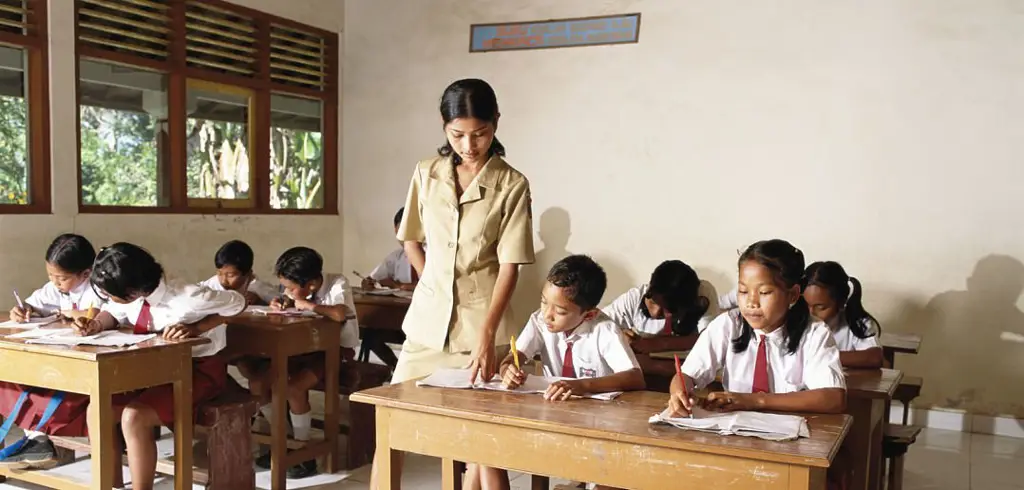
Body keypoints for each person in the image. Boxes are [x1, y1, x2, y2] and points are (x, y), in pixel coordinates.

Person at [370, 78, 535, 490]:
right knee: (391, 430)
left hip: (481, 326)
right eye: (457, 135)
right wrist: (432, 283)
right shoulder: (426, 173)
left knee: (482, 442)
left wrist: (487, 335)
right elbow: (410, 238)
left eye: (480, 134)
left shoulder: (512, 184)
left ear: (496, 124)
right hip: (426, 327)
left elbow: (509, 266)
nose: (469, 145)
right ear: (444, 129)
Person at [78, 243, 246, 490]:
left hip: (196, 372)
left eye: (109, 293)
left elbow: (238, 303)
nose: (106, 298)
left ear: (132, 290)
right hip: (151, 370)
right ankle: (110, 485)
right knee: (98, 408)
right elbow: (113, 312)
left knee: (133, 417)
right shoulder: (133, 297)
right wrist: (97, 324)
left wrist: (197, 328)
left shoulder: (189, 297)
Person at [668, 239, 846, 416]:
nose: (751, 303)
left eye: (764, 293)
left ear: (792, 295)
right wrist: (679, 392)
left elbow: (834, 398)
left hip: (792, 433)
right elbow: (686, 375)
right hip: (735, 432)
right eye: (743, 291)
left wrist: (754, 401)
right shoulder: (729, 324)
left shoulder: (814, 333)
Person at [242, 246, 359, 478]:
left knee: (294, 387)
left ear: (312, 285)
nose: (288, 291)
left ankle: (303, 450)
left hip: (333, 351)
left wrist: (310, 305)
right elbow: (284, 300)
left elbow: (339, 314)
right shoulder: (297, 291)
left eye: (291, 287)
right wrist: (280, 301)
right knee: (257, 384)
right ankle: (283, 442)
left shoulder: (337, 283)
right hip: (300, 350)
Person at [602, 260, 719, 376]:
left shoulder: (703, 294)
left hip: (691, 371)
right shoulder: (634, 299)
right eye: (652, 302)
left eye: (669, 310)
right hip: (649, 371)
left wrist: (655, 344)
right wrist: (620, 336)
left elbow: (709, 340)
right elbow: (596, 324)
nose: (656, 313)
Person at [803, 261, 883, 368]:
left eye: (820, 307)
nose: (811, 313)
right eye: (805, 305)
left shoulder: (857, 324)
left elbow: (874, 357)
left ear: (841, 303)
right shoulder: (794, 321)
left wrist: (824, 356)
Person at [9, 233, 102, 322]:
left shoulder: (97, 287)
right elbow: (32, 303)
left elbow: (93, 315)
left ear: (86, 273)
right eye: (50, 275)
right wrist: (23, 309)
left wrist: (67, 313)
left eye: (62, 278)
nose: (55, 282)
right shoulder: (56, 286)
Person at [199, 239, 278, 305]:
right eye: (219, 273)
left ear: (248, 274)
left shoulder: (256, 287)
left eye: (230, 275)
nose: (223, 280)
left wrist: (260, 301)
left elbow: (279, 300)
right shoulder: (209, 287)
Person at [363, 207, 419, 291]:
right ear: (395, 230)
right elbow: (373, 278)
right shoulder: (396, 257)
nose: (405, 236)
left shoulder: (432, 254)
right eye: (401, 231)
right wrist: (367, 283)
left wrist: (397, 285)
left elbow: (430, 288)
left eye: (410, 230)